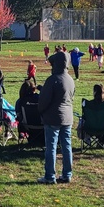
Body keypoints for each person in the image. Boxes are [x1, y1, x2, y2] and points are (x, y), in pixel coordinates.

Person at [37, 51, 75, 184]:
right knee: (66, 146)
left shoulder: (53, 79)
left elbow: (44, 100)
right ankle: (67, 174)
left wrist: (41, 111)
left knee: (51, 147)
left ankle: (50, 176)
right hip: (68, 117)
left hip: (53, 117)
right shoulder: (70, 79)